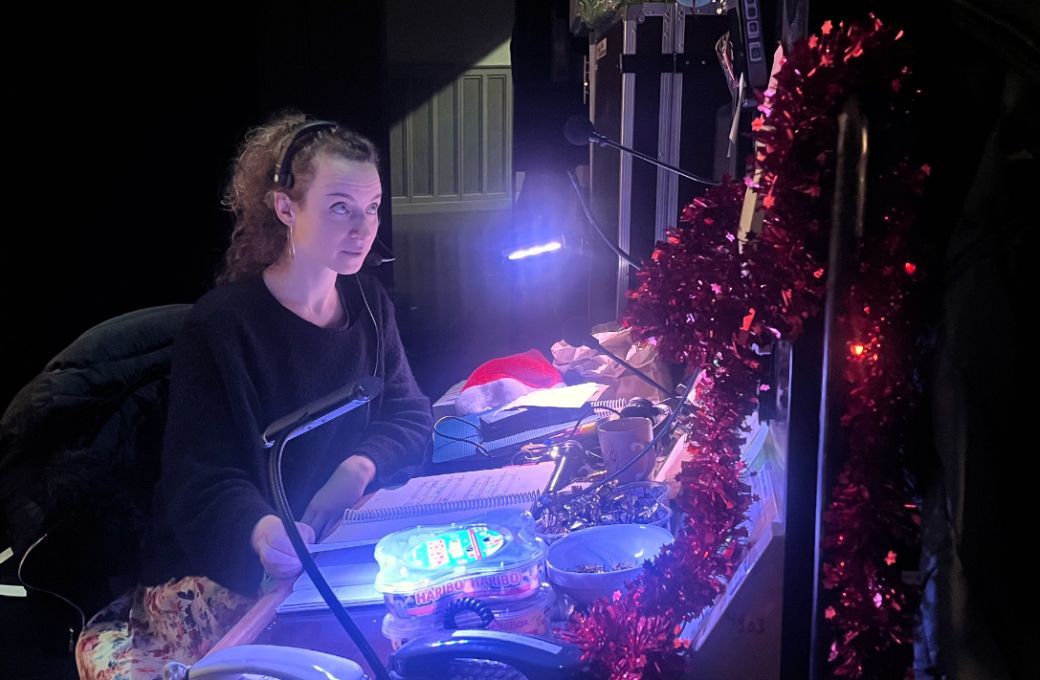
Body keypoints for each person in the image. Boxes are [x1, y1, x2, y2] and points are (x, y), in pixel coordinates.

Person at [76, 112, 433, 679]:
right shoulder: (222, 325)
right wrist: (264, 533)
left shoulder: (369, 302)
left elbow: (411, 415)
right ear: (286, 208)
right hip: (218, 572)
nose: (362, 227)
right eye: (340, 206)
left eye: (371, 207)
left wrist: (358, 467)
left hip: (323, 554)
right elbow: (201, 476)